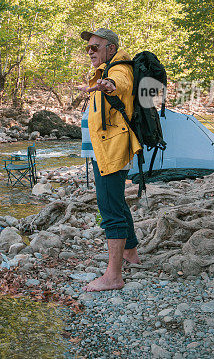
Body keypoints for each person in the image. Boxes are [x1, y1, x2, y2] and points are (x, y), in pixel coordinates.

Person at [78, 28, 141, 291]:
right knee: (117, 201)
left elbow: (121, 84)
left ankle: (113, 276)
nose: (90, 51)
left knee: (109, 208)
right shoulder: (106, 68)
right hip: (106, 148)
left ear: (111, 48)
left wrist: (109, 85)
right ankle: (131, 253)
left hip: (111, 150)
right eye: (88, 48)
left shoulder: (118, 69)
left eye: (96, 47)